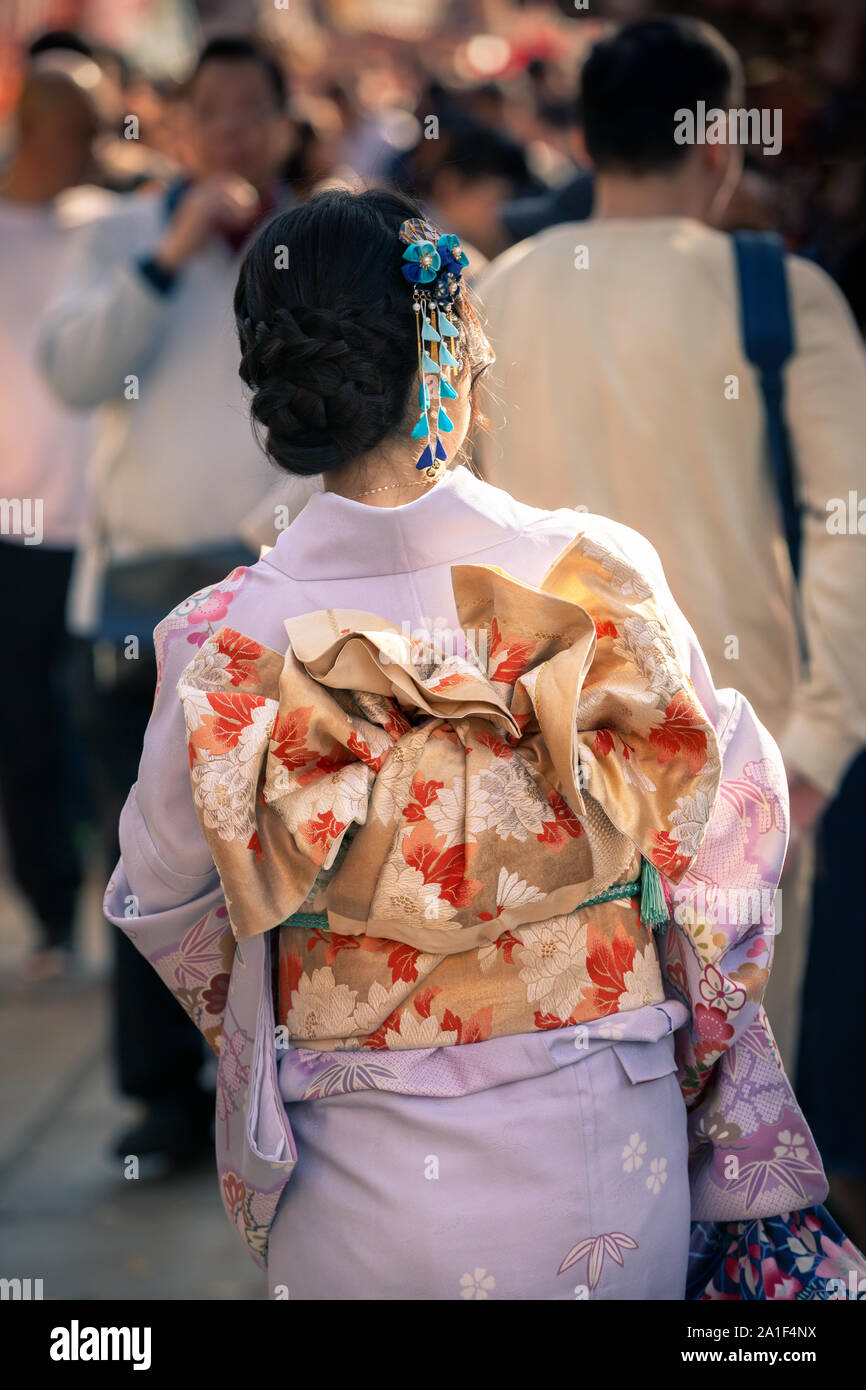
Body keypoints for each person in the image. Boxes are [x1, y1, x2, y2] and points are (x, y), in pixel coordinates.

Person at [101, 188, 865, 1299]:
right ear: (445, 359)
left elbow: (166, 901)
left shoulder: (220, 640)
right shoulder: (594, 575)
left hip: (350, 1161)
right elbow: (718, 855)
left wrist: (329, 988)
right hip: (605, 1149)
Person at [472, 17, 866, 1082]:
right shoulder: (780, 295)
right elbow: (849, 527)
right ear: (716, 145)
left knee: (580, 1088)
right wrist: (820, 744)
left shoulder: (498, 293)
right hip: (745, 756)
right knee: (739, 1096)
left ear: (587, 143)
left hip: (545, 756)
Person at [37, 35, 315, 1170]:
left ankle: (292, 1079)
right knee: (148, 851)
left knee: (289, 847)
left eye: (256, 110)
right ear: (181, 122)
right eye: (215, 110)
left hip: (280, 582)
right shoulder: (117, 230)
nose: (236, 131)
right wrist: (171, 252)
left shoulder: (316, 239)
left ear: (288, 123)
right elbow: (71, 371)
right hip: (143, 589)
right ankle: (161, 1098)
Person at [0, 64, 110, 981]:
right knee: (26, 733)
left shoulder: (112, 226)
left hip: (104, 526)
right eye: (83, 129)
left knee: (109, 732)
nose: (99, 148)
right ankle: (50, 919)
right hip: (14, 529)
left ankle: (124, 913)